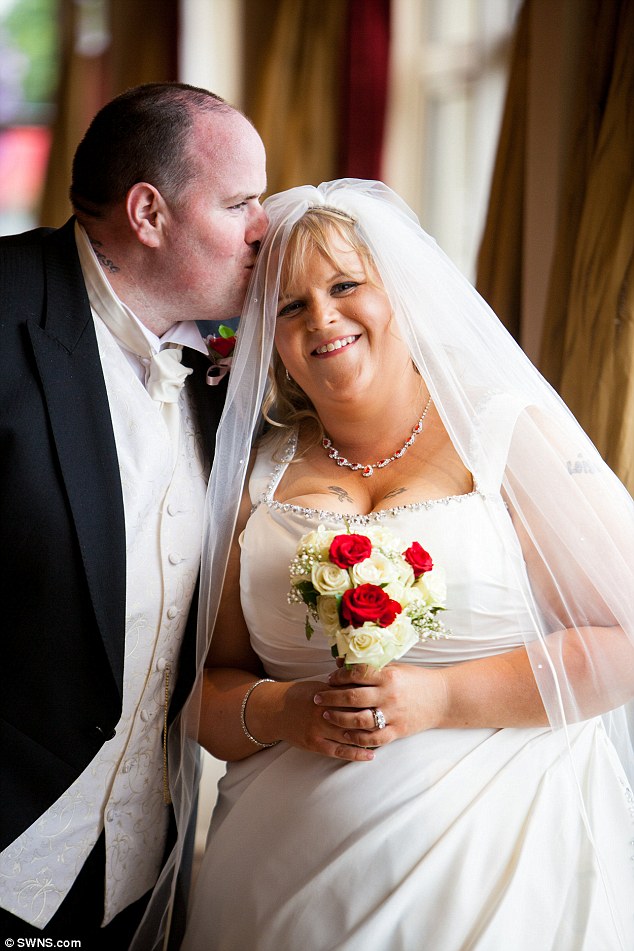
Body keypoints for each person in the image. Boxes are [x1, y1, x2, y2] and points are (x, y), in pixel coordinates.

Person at [180, 180, 634, 951]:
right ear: (271, 338)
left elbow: (624, 643)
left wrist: (442, 697)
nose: (322, 318)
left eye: (344, 285)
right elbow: (209, 690)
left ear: (401, 291)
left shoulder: (506, 436)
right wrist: (286, 710)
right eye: (290, 306)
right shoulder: (251, 476)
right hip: (278, 884)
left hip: (501, 861)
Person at [0, 82, 267, 948]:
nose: (264, 227)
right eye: (240, 202)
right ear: (149, 213)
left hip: (142, 867)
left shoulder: (238, 362)